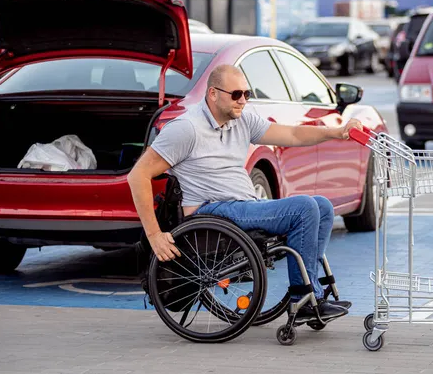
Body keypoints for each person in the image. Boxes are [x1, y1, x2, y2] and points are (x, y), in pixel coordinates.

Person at [127, 64, 363, 323]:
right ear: (213, 94)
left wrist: (337, 132)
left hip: (242, 206)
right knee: (304, 207)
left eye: (247, 94)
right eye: (236, 94)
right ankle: (303, 298)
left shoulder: (241, 119)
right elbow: (138, 175)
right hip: (211, 210)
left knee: (322, 205)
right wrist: (154, 235)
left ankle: (312, 293)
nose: (242, 100)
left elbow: (293, 133)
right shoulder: (186, 128)